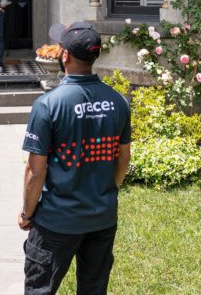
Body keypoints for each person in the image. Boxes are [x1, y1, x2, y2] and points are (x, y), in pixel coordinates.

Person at [19, 22, 132, 295]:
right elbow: (123, 159)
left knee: (39, 289)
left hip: (57, 221)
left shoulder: (48, 105)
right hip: (102, 218)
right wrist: (105, 192)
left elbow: (35, 172)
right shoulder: (118, 102)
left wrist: (27, 213)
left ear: (65, 56)